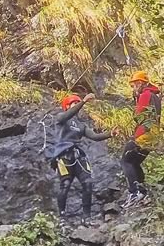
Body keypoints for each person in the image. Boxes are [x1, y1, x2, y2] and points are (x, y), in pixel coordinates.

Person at [47, 93, 111, 222]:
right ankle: (62, 216)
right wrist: (83, 102)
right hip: (63, 156)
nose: (76, 106)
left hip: (78, 155)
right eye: (73, 103)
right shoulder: (61, 118)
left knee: (87, 183)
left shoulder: (81, 125)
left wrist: (110, 134)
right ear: (67, 106)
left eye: (77, 103)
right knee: (65, 184)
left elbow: (94, 136)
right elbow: (69, 114)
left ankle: (86, 217)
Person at [121, 70, 162, 209]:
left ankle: (134, 193)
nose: (133, 88)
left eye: (134, 85)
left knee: (126, 160)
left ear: (140, 83)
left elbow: (139, 116)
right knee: (135, 162)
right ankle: (142, 192)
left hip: (144, 133)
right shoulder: (155, 96)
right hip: (153, 136)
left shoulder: (145, 95)